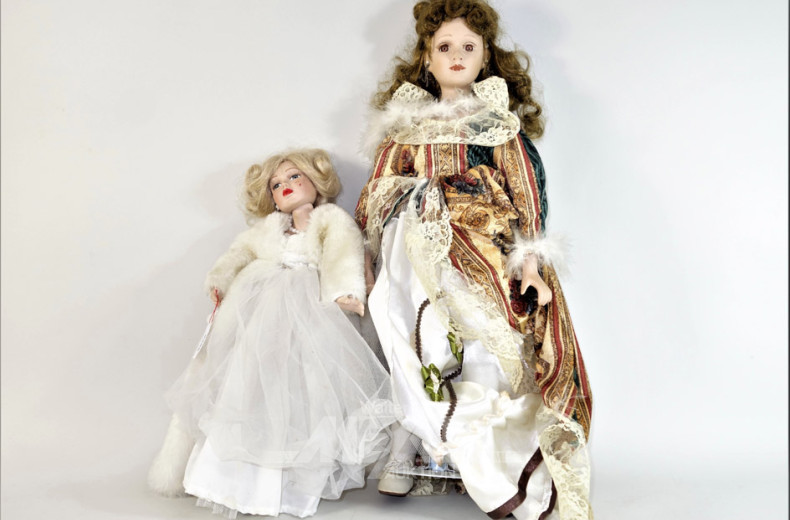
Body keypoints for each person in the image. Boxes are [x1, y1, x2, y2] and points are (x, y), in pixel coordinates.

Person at [355, 1, 593, 518]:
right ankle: (411, 447)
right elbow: (375, 192)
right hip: (409, 251)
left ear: (486, 57)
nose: (457, 56)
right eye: (445, 47)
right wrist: (370, 255)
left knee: (481, 340)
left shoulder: (498, 126)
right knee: (409, 337)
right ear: (426, 58)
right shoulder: (405, 128)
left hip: (481, 251)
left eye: (469, 46)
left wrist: (529, 264)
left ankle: (482, 456)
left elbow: (528, 196)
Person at [148, 148, 394, 518]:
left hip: (310, 309)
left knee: (306, 387)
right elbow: (240, 253)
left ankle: (290, 485)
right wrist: (221, 279)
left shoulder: (330, 219)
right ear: (271, 198)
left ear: (316, 181)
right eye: (277, 185)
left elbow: (343, 252)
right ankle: (229, 480)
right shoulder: (268, 229)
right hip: (260, 309)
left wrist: (346, 290)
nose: (286, 186)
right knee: (249, 381)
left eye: (295, 177)